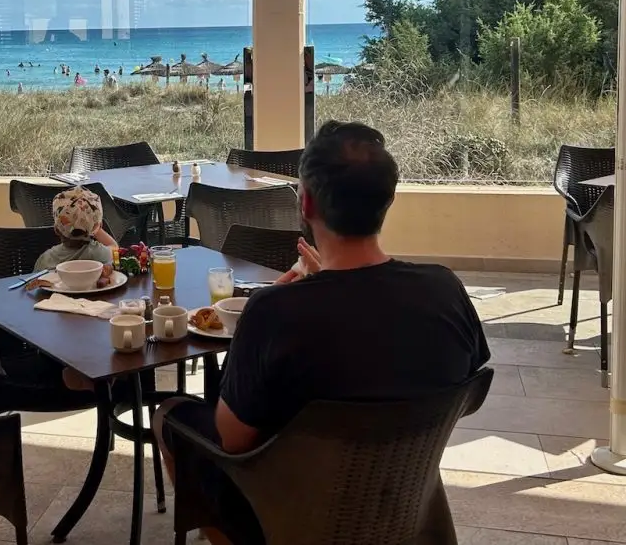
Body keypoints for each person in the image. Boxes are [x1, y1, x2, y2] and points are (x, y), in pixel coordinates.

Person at [154, 121, 490, 545]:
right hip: (402, 505)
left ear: (306, 202)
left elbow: (233, 439)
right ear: (389, 198)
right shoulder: (446, 291)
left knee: (171, 417)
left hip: (297, 515)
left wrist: (257, 330)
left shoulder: (275, 313)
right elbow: (466, 389)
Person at [33, 187, 117, 272]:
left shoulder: (45, 260)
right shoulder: (102, 255)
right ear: (99, 226)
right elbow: (114, 247)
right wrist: (95, 227)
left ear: (56, 230)